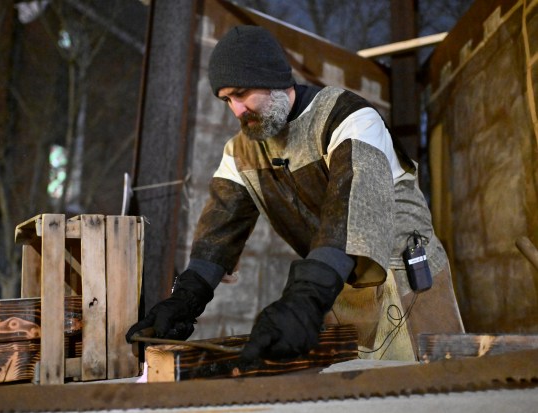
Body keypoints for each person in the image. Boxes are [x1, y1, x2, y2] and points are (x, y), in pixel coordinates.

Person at [126, 25, 465, 361]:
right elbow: (218, 236)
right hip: (334, 285)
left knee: (431, 391)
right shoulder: (240, 152)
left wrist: (304, 297)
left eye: (241, 93)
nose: (236, 110)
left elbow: (351, 214)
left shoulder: (350, 118)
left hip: (406, 282)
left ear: (274, 77)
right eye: (227, 99)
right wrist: (186, 298)